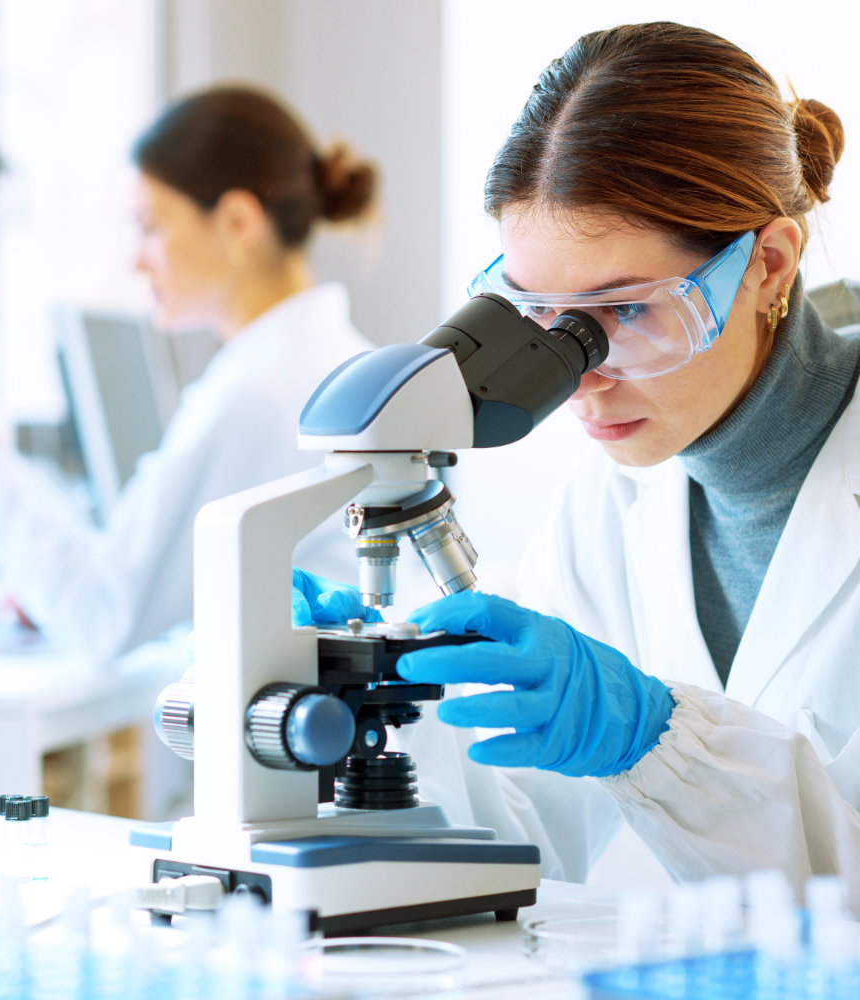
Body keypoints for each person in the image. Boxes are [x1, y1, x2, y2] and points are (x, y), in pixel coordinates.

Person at [294, 22, 860, 907]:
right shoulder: (612, 502)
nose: (576, 377)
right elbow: (529, 842)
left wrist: (656, 739)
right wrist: (386, 716)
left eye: (624, 312)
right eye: (541, 319)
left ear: (769, 264)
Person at [0, 86, 377, 662]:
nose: (136, 259)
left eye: (151, 226)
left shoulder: (258, 392)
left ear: (236, 222)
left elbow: (102, 613)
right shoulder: (332, 360)